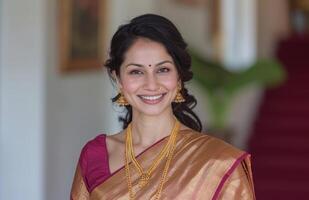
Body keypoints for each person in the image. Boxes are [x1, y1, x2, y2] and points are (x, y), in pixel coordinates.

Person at [70, 14, 255, 200]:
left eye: (162, 70)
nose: (151, 84)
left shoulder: (217, 163)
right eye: (136, 71)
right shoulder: (95, 155)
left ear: (179, 77)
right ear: (118, 79)